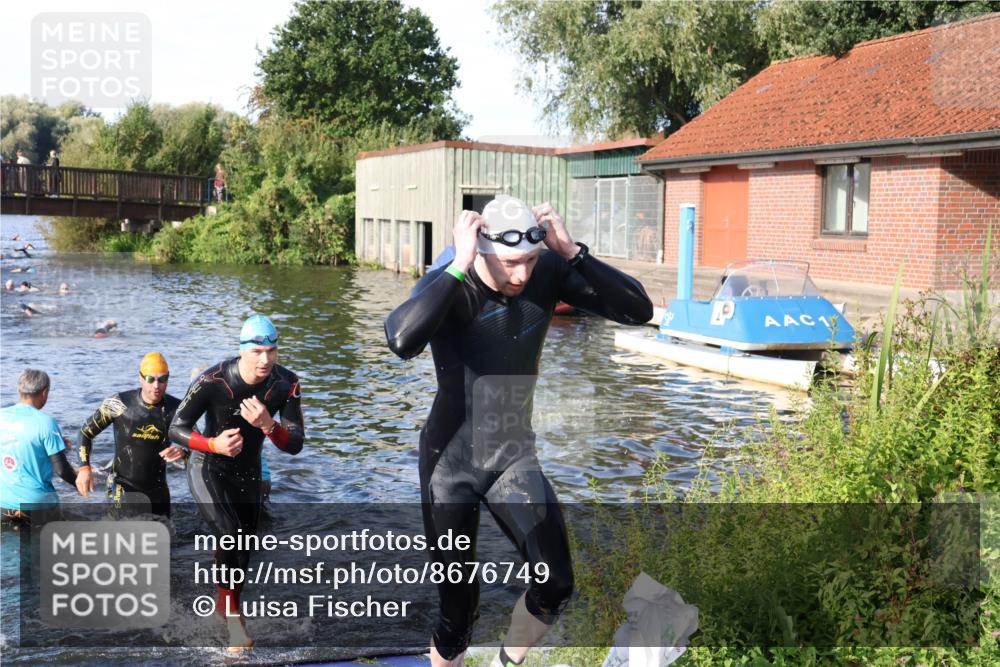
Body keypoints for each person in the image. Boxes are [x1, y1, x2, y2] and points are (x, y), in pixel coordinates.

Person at [384, 195, 653, 667]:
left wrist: (573, 253)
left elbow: (638, 311)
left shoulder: (549, 272)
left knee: (556, 584)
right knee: (458, 615)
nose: (522, 274)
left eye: (530, 259)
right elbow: (401, 340)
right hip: (450, 466)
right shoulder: (452, 283)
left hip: (512, 457)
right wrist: (458, 264)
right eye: (510, 263)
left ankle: (506, 663)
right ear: (482, 250)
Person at [169, 314, 304, 651]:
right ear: (242, 350)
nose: (265, 360)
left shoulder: (286, 383)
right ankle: (234, 624)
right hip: (208, 466)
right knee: (229, 533)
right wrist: (212, 444)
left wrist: (268, 425)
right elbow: (176, 428)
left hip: (248, 472)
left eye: (271, 351)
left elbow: (295, 443)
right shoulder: (212, 380)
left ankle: (224, 607)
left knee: (244, 545)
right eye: (257, 351)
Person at [76, 353, 185, 517]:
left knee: (163, 533)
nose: (156, 385)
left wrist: (184, 453)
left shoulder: (177, 409)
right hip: (121, 484)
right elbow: (85, 432)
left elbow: (198, 446)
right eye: (150, 379)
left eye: (162, 379)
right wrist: (84, 468)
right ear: (140, 378)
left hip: (157, 489)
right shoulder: (118, 403)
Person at [1, 370, 80, 524]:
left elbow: (18, 446)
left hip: (3, 504)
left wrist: (59, 444)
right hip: (36, 506)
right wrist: (81, 484)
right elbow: (62, 470)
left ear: (19, 390)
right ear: (45, 392)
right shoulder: (46, 423)